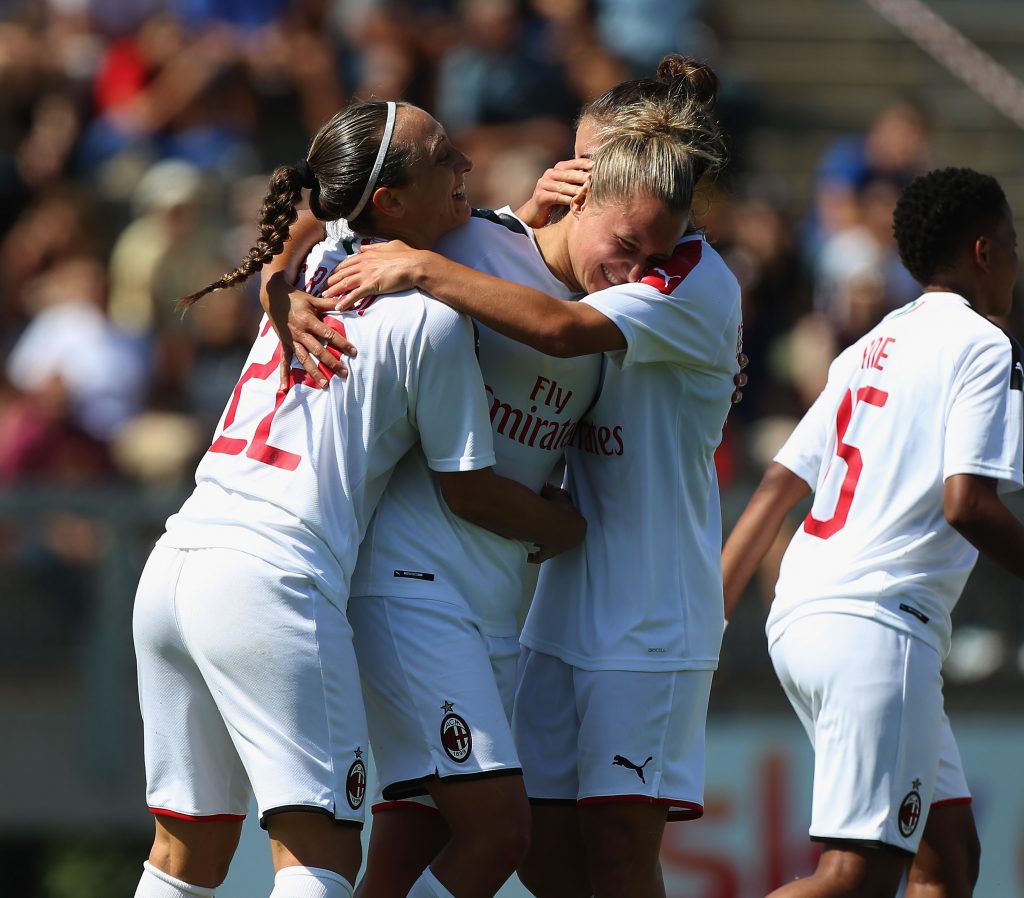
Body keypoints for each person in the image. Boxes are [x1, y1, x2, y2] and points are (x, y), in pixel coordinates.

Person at [131, 99, 586, 898]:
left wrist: (278, 293)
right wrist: (570, 524)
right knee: (320, 861)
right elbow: (471, 490)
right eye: (444, 157)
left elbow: (300, 229)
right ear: (389, 202)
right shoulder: (432, 321)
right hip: (272, 581)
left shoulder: (309, 266)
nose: (466, 168)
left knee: (184, 855)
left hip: (174, 565)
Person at [328, 58, 741, 898]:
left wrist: (431, 263)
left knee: (615, 855)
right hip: (543, 615)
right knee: (534, 854)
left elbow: (557, 327)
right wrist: (281, 291)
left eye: (644, 250)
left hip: (649, 616)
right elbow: (341, 221)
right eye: (577, 161)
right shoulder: (502, 242)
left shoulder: (687, 282)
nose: (630, 268)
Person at [721, 167, 1024, 898]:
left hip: (804, 616)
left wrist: (706, 618)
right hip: (877, 624)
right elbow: (968, 505)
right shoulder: (985, 346)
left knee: (946, 860)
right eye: (1013, 243)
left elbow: (776, 487)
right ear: (985, 251)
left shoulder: (869, 347)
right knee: (857, 878)